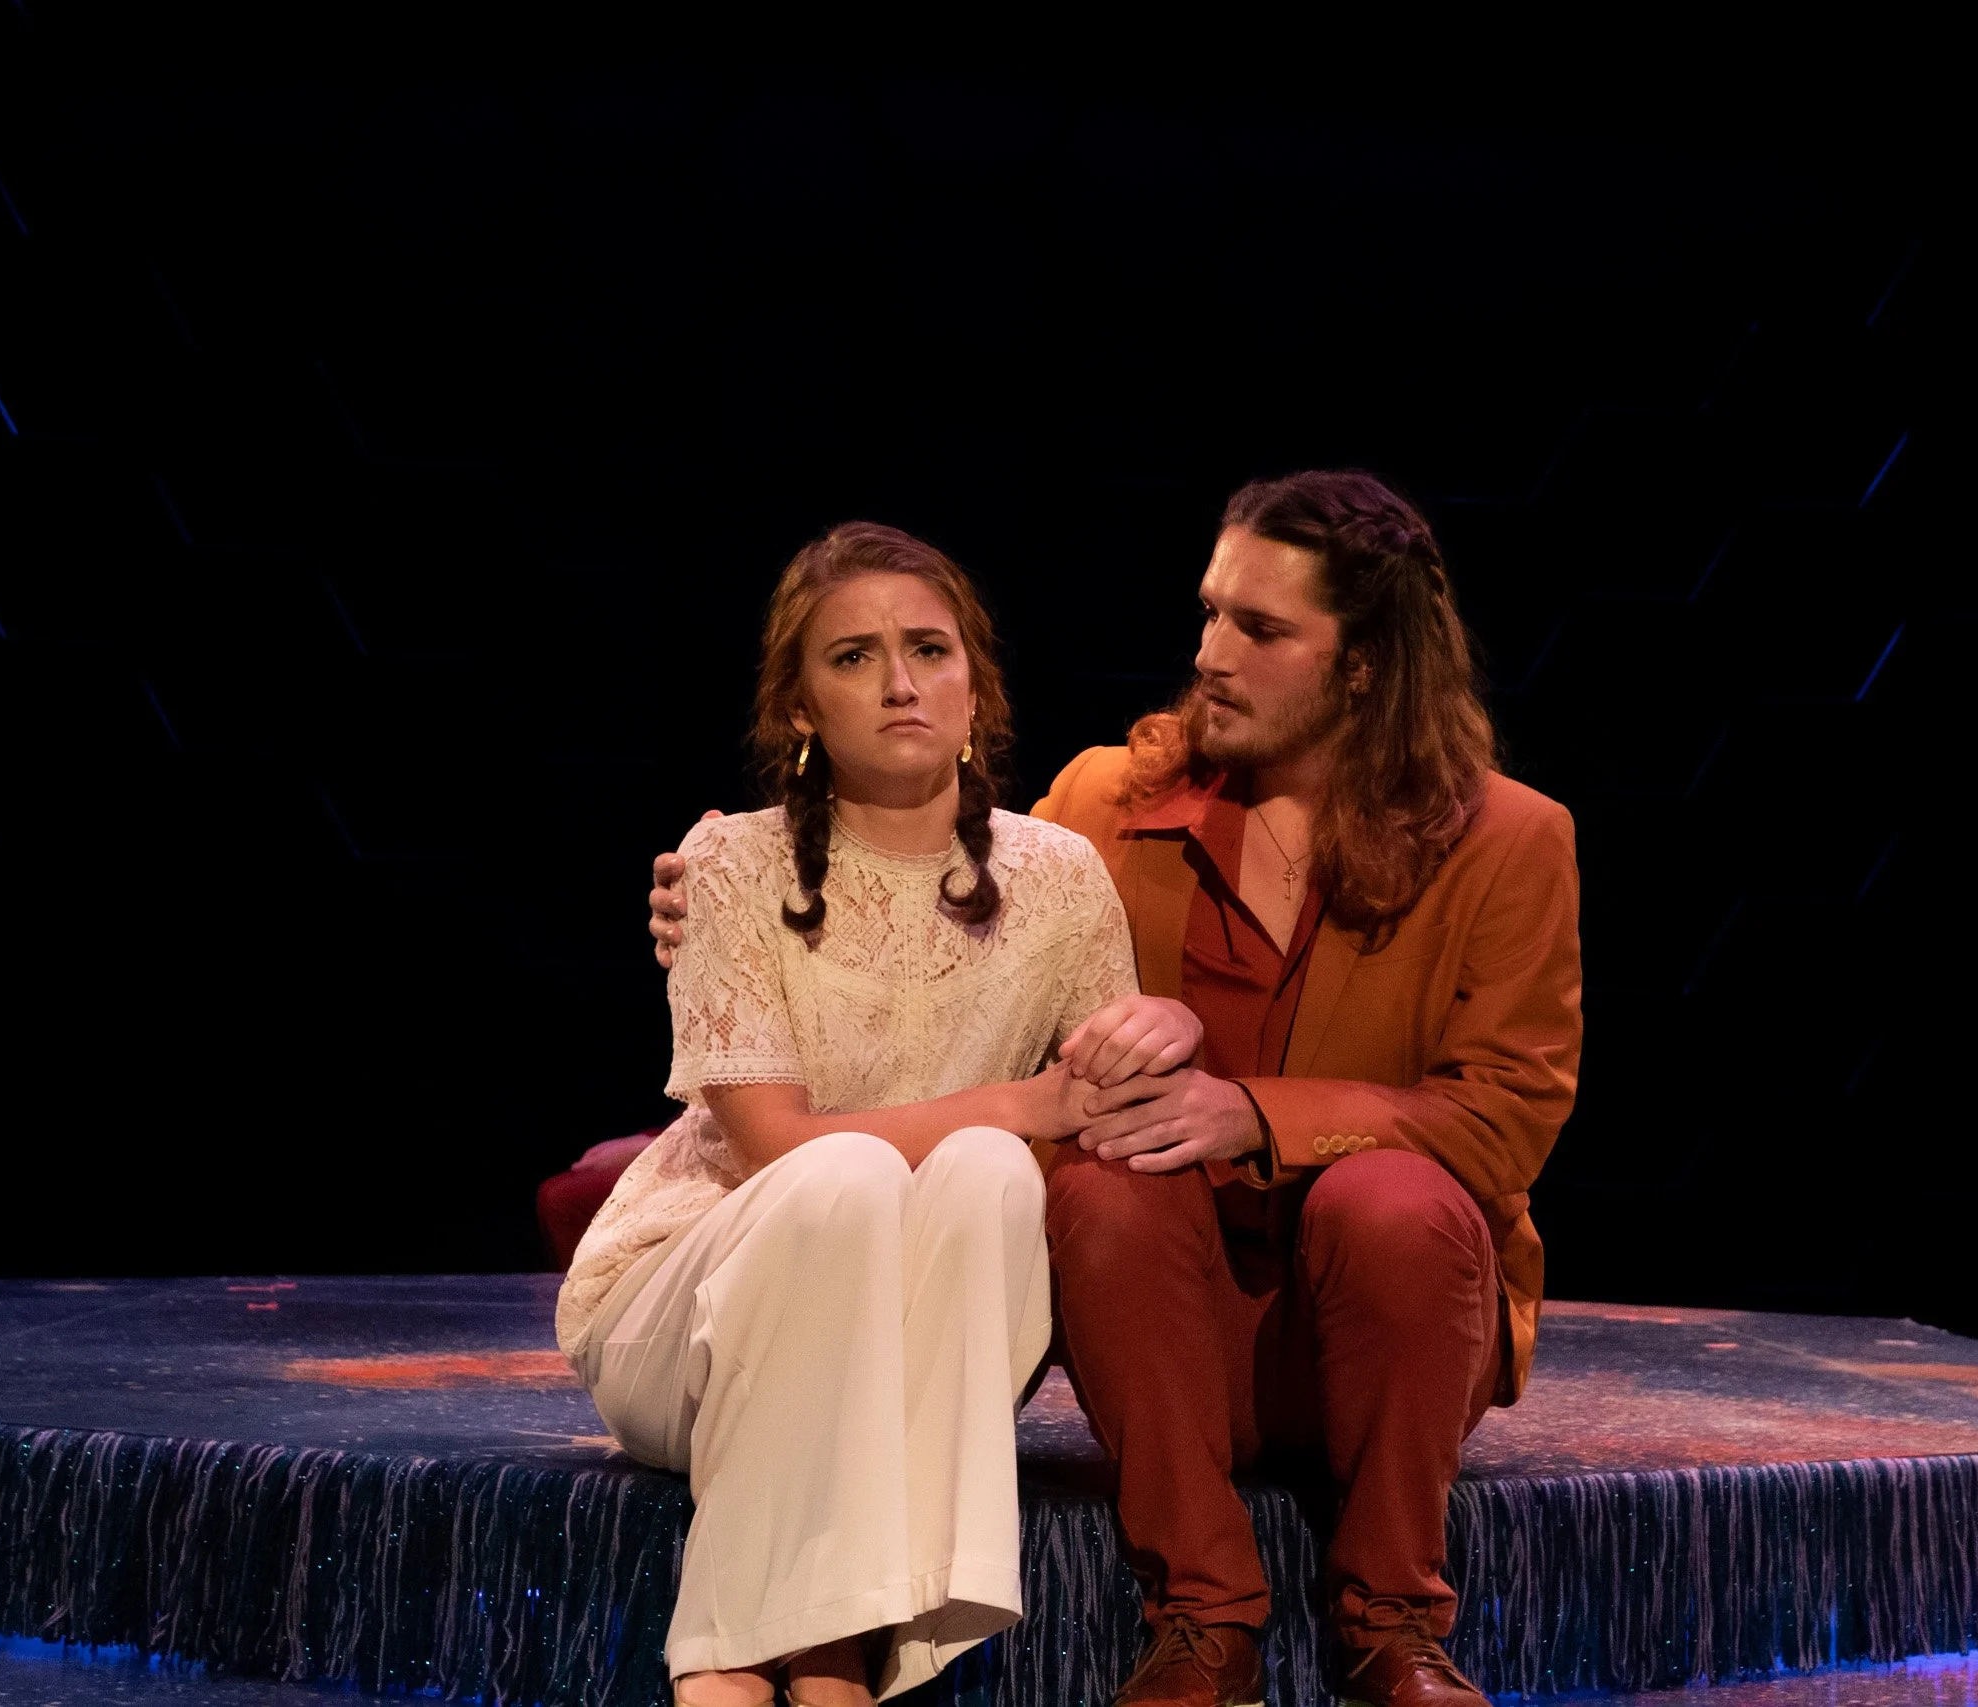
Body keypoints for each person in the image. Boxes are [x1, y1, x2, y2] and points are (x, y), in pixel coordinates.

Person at [652, 472, 1582, 1707]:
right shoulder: (1106, 810)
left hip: (1386, 1328)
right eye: (1208, 615)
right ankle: (1202, 1621)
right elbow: (940, 903)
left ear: (1363, 665)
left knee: (1392, 1202)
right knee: (1099, 1187)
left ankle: (1393, 1624)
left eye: (1258, 629)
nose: (1208, 654)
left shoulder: (1508, 840)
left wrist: (1252, 1113)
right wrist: (711, 901)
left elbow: (1505, 1115)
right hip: (1162, 1331)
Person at [570, 521, 1203, 1707]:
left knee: (991, 1171)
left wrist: (1171, 1037)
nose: (901, 683)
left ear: (976, 685)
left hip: (917, 1339)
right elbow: (769, 1152)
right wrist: (1024, 1098)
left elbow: (1118, 1101)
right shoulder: (729, 867)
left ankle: (816, 1643)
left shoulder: (1060, 876)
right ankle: (784, 1650)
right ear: (800, 708)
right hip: (696, 1310)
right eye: (853, 657)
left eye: (928, 650)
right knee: (847, 1176)